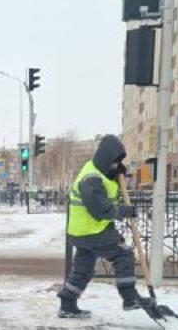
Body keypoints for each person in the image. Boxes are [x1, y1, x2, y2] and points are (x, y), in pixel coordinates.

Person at [58, 135, 152, 319]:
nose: (116, 166)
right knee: (123, 254)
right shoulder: (91, 179)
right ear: (105, 159)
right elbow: (101, 210)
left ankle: (67, 303)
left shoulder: (99, 172)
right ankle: (129, 297)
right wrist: (125, 211)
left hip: (83, 231)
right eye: (114, 162)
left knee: (83, 268)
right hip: (92, 230)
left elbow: (106, 192)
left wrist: (116, 175)